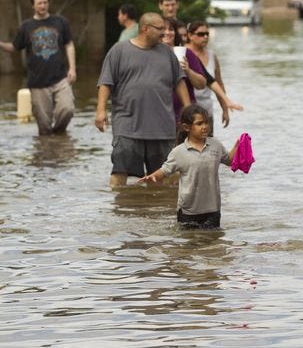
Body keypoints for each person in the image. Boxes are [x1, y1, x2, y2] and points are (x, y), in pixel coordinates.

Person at [95, 12, 191, 187]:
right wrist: (100, 110)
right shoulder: (119, 51)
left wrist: (188, 109)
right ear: (145, 28)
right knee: (119, 174)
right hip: (128, 126)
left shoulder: (168, 54)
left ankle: (155, 210)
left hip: (162, 127)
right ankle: (120, 212)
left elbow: (179, 81)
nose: (165, 33)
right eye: (160, 29)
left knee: (164, 179)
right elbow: (106, 83)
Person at [138, 104, 238, 229]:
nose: (205, 126)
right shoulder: (179, 152)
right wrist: (153, 176)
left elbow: (229, 161)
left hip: (212, 210)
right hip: (188, 211)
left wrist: (238, 146)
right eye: (200, 123)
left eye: (206, 122)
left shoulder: (215, 145)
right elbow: (165, 170)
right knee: (188, 246)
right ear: (186, 127)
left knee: (213, 244)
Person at [0, 0, 76, 135]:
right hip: (37, 82)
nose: (43, 6)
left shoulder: (60, 22)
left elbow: (69, 44)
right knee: (44, 127)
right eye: (39, 3)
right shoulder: (26, 26)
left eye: (45, 2)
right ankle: (47, 149)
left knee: (67, 109)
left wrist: (72, 68)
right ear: (33, 5)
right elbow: (14, 47)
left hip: (61, 78)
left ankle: (59, 137)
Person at [185, 20, 242, 131]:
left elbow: (218, 83)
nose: (205, 37)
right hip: (189, 110)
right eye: (201, 34)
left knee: (208, 146)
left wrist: (224, 109)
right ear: (190, 35)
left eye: (207, 34)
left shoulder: (212, 56)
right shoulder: (183, 53)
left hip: (207, 110)